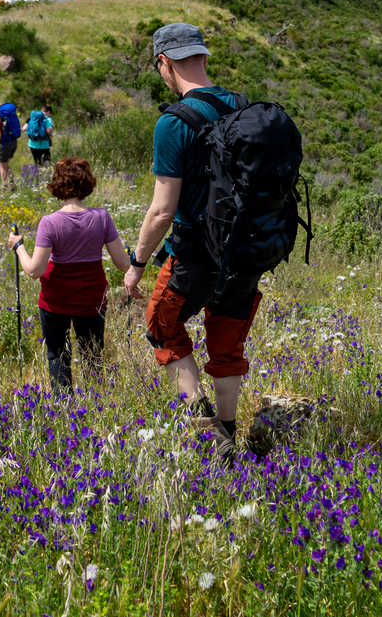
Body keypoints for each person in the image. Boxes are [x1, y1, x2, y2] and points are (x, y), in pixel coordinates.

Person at [122, 22, 261, 459]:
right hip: (245, 249)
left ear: (164, 63)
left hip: (195, 252)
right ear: (203, 57)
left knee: (161, 325)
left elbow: (163, 210)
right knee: (226, 335)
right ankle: (230, 431)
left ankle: (205, 426)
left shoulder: (173, 123)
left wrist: (137, 262)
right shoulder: (242, 107)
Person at [7, 157, 133, 391]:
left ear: (57, 185)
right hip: (92, 300)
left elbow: (35, 270)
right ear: (87, 184)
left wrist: (18, 246)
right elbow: (123, 264)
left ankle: (64, 408)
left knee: (58, 355)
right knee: (92, 355)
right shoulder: (102, 218)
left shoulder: (50, 223)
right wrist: (132, 255)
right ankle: (96, 405)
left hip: (56, 301)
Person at [0, 99, 21, 188]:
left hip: (4, 144)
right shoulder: (6, 114)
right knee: (6, 164)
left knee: (2, 166)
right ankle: (12, 183)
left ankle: (4, 186)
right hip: (13, 141)